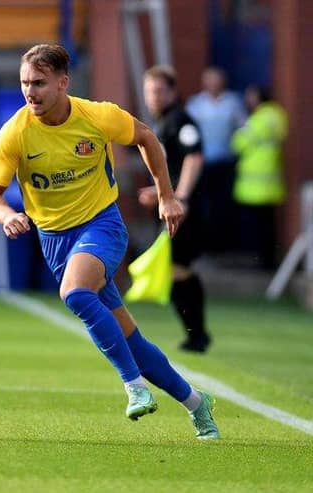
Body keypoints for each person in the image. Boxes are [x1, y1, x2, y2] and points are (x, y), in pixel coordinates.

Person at [0, 44, 219, 439]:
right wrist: (7, 215)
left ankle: (133, 387)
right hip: (54, 239)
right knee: (131, 340)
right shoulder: (16, 133)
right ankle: (196, 403)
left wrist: (166, 195)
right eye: (25, 83)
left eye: (39, 83)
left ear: (63, 82)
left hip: (101, 226)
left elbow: (145, 137)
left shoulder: (96, 116)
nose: (30, 92)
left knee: (73, 293)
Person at [140, 65, 212, 353]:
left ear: (172, 92)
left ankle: (198, 335)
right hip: (175, 206)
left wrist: (179, 197)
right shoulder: (163, 122)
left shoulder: (181, 121)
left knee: (177, 270)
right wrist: (160, 193)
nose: (154, 97)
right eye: (149, 91)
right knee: (175, 270)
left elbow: (194, 158)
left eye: (159, 91)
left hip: (186, 210)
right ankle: (197, 335)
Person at [186, 67, 246, 252]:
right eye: (209, 80)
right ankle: (207, 246)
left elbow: (243, 128)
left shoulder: (233, 103)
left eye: (216, 80)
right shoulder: (196, 104)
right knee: (204, 203)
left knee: (224, 204)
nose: (213, 84)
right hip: (202, 162)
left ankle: (225, 245)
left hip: (226, 161)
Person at [231, 85, 288, 270]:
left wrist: (239, 130)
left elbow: (238, 143)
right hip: (271, 181)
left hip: (254, 184)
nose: (248, 100)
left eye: (250, 96)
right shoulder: (278, 116)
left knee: (257, 227)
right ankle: (268, 260)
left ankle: (261, 262)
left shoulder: (258, 119)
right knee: (269, 225)